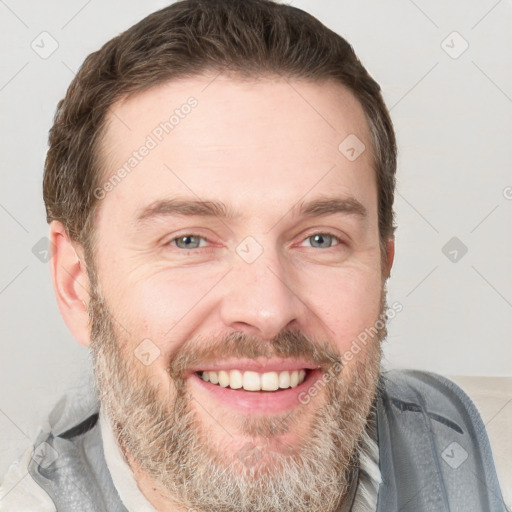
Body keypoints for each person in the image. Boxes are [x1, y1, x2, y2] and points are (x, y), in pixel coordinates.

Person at [0, 1, 507, 511]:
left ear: (383, 266)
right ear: (77, 285)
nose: (267, 311)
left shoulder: (491, 456)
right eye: (189, 240)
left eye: (320, 239)